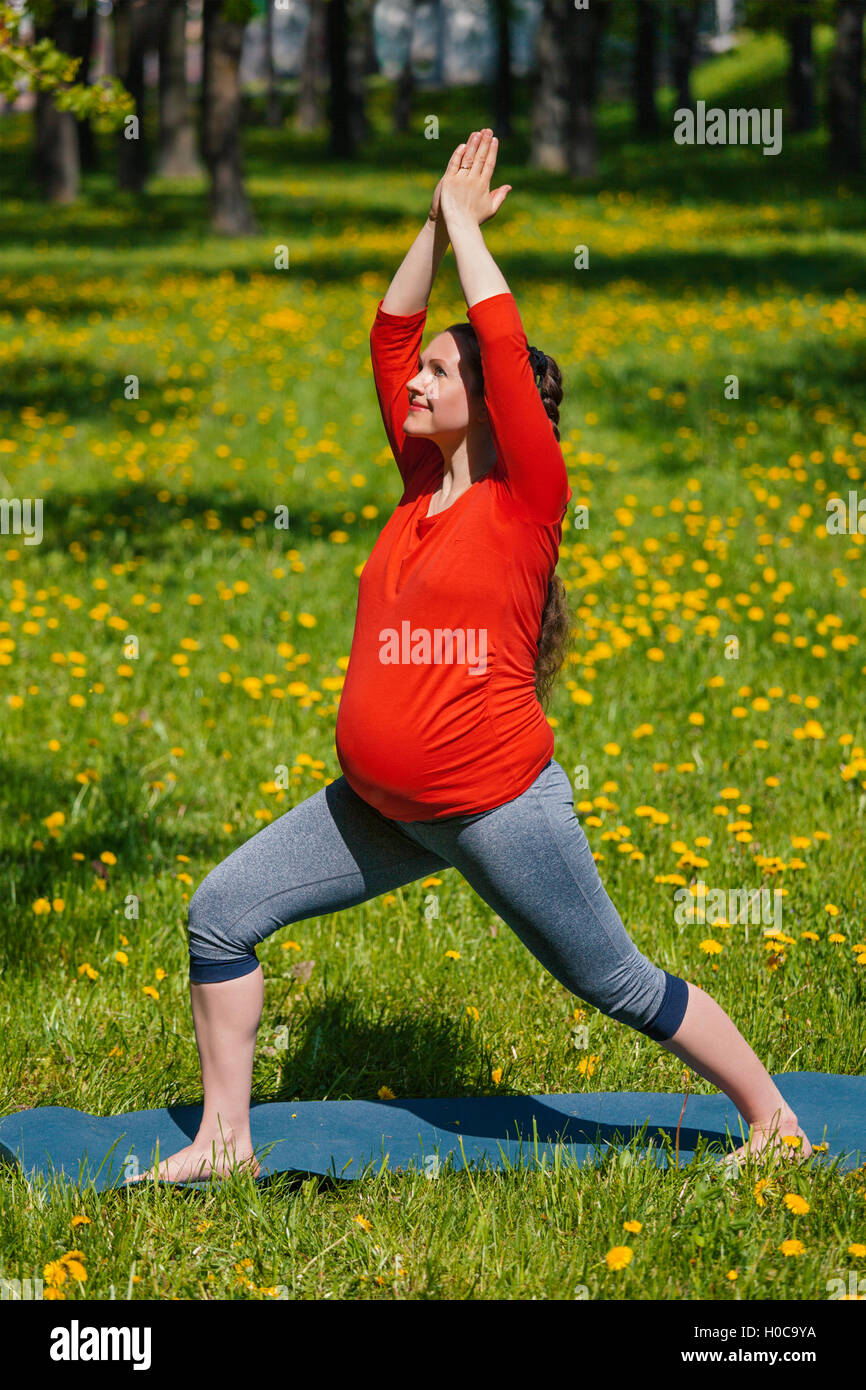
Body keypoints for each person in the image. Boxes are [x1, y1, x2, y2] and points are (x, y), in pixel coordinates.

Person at [126, 129, 811, 1186]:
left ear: (492, 402)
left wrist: (467, 233)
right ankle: (224, 1142)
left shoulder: (526, 496)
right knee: (220, 914)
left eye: (442, 375)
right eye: (424, 372)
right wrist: (432, 223)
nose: (415, 382)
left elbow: (495, 332)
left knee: (616, 982)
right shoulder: (420, 483)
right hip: (381, 807)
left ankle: (772, 1119)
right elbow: (390, 330)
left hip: (498, 809)